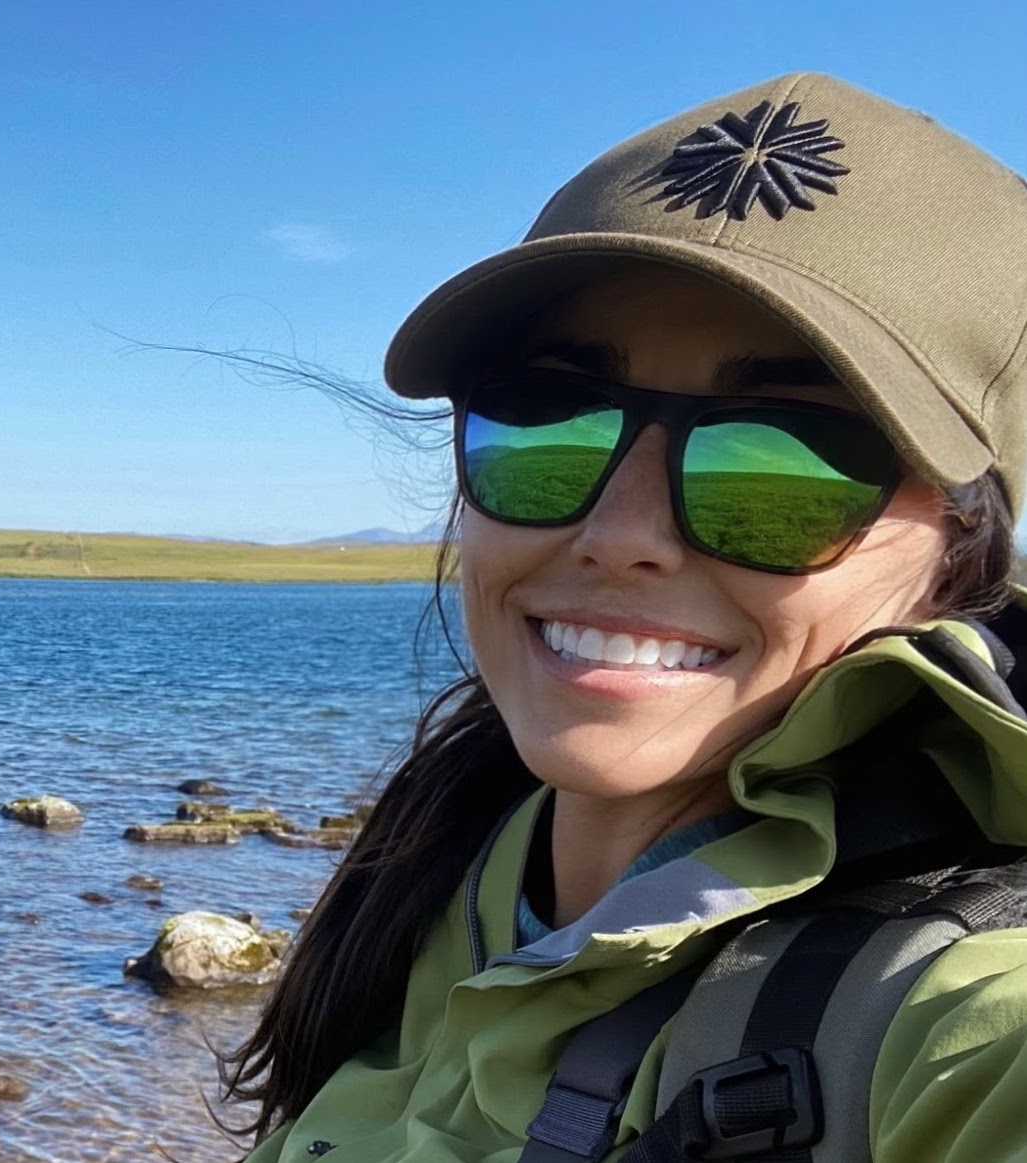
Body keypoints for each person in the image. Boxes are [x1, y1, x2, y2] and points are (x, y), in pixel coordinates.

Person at [224, 73, 1027, 1162]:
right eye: (549, 424)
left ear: (956, 559)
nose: (620, 531)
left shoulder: (957, 1008)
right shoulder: (439, 858)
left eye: (789, 454)